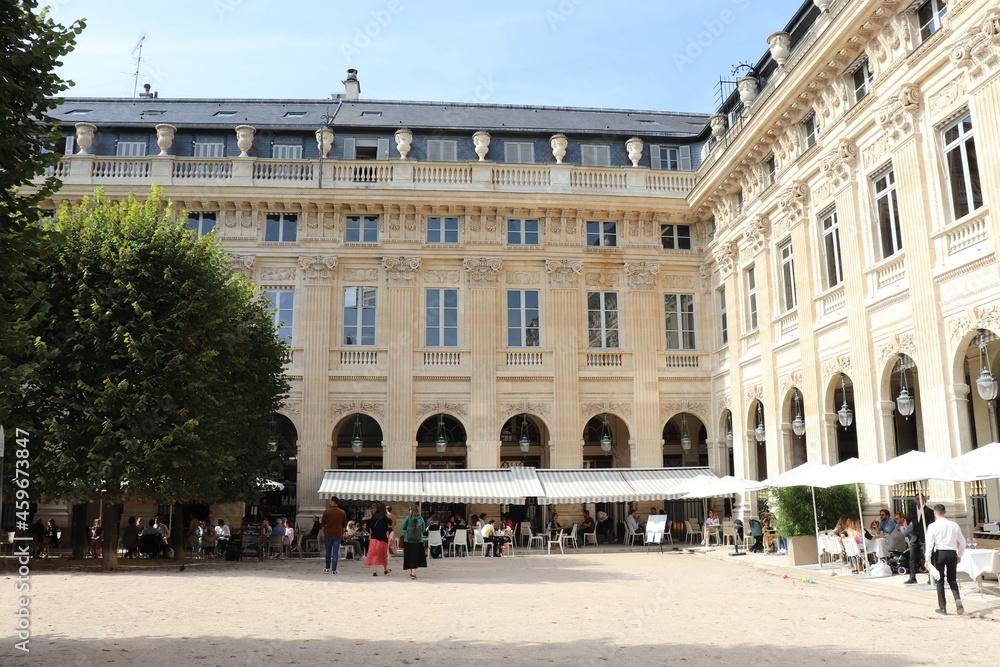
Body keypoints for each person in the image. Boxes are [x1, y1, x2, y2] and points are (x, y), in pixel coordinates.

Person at [924, 504, 967, 615]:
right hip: (952, 553)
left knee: (940, 580)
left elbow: (929, 544)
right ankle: (957, 599)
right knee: (952, 579)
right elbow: (963, 542)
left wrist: (927, 559)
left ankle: (942, 607)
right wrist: (960, 554)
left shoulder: (932, 526)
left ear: (934, 513)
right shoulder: (954, 525)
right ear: (945, 512)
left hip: (940, 553)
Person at [905, 494, 935, 585]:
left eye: (921, 499)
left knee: (927, 557)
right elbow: (907, 520)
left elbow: (931, 524)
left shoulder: (929, 511)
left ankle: (931, 577)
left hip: (924, 537)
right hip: (914, 537)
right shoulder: (912, 511)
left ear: (924, 500)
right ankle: (912, 577)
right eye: (917, 499)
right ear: (915, 500)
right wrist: (905, 522)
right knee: (912, 557)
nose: (919, 501)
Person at [366, 501, 393, 577]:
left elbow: (371, 528)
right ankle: (385, 570)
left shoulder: (374, 516)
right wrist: (388, 539)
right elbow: (386, 530)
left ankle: (375, 571)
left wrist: (371, 536)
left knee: (375, 554)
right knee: (383, 555)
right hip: (382, 540)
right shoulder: (384, 518)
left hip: (374, 539)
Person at [321, 497, 348, 574]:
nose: (329, 502)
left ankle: (327, 568)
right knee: (335, 552)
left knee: (328, 551)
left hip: (328, 534)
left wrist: (324, 533)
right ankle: (334, 569)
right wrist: (342, 534)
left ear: (333, 502)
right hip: (337, 534)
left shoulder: (327, 511)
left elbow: (322, 524)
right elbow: (344, 525)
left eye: (330, 501)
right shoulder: (342, 512)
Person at [401, 504, 428, 578]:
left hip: (408, 540)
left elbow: (403, 527)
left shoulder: (408, 518)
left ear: (412, 510)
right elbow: (423, 530)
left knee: (410, 556)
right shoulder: (421, 519)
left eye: (409, 509)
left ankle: (413, 573)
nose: (409, 511)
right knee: (415, 556)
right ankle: (413, 572)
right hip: (418, 541)